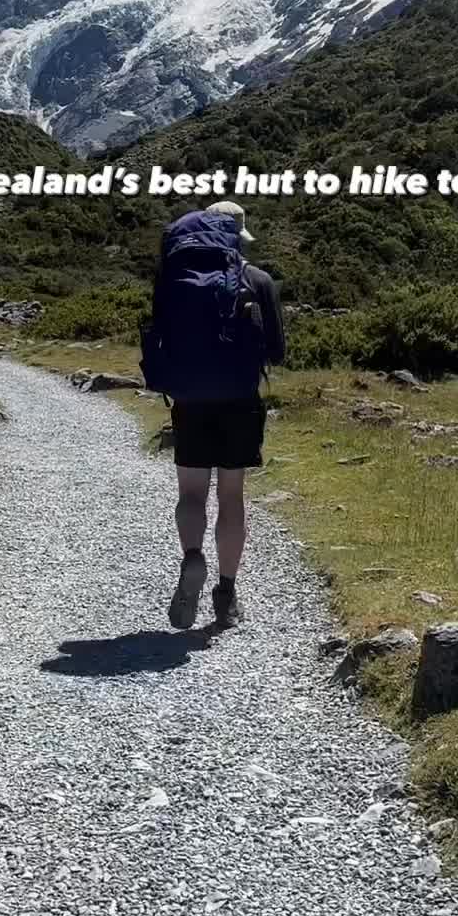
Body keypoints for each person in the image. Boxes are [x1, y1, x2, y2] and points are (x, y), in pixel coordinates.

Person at [142, 200, 287, 632]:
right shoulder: (258, 280)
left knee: (191, 494)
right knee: (231, 496)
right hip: (240, 401)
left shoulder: (174, 277)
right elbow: (277, 352)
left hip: (189, 399)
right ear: (239, 236)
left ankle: (192, 558)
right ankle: (226, 594)